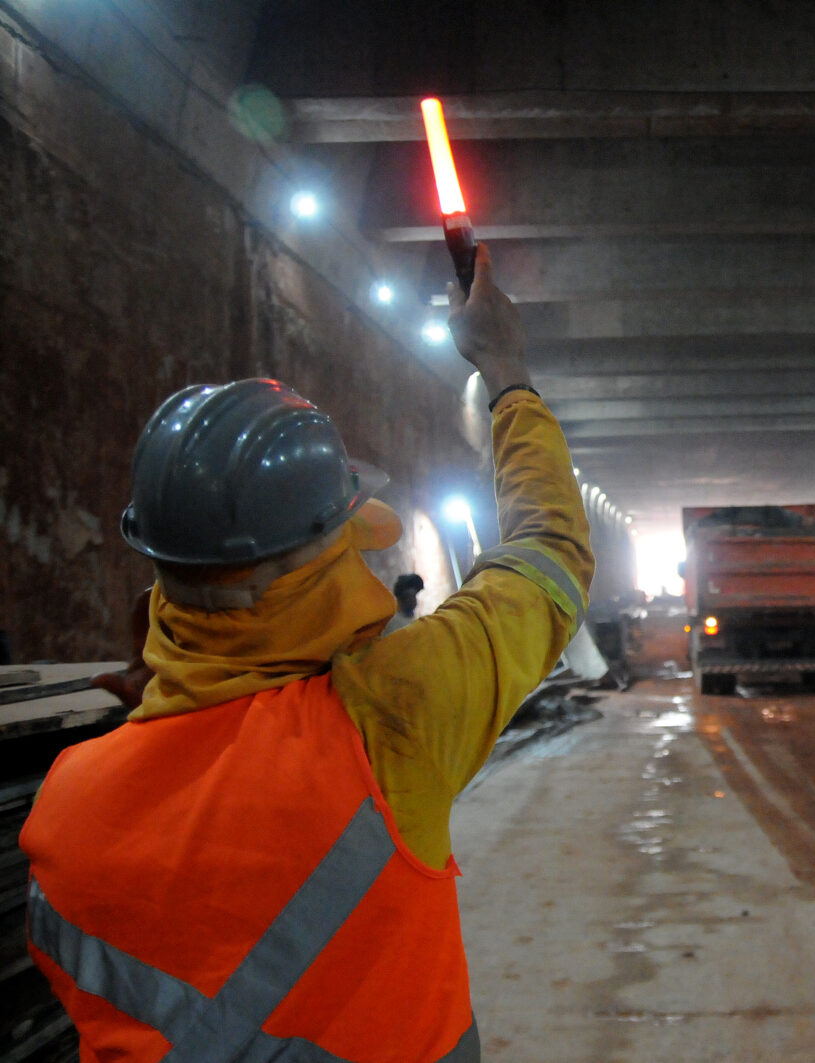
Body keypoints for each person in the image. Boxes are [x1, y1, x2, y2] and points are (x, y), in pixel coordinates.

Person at [21, 246, 590, 1061]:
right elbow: (551, 554)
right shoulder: (388, 719)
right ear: (327, 553)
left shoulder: (62, 808)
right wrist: (505, 366)